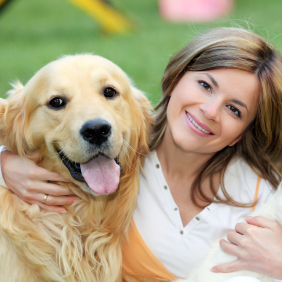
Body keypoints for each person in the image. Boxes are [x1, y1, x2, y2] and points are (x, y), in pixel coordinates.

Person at [1, 27, 282, 282]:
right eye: (205, 86)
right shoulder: (130, 151)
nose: (209, 111)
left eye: (235, 109)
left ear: (244, 132)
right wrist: (5, 161)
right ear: (175, 80)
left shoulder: (265, 199)